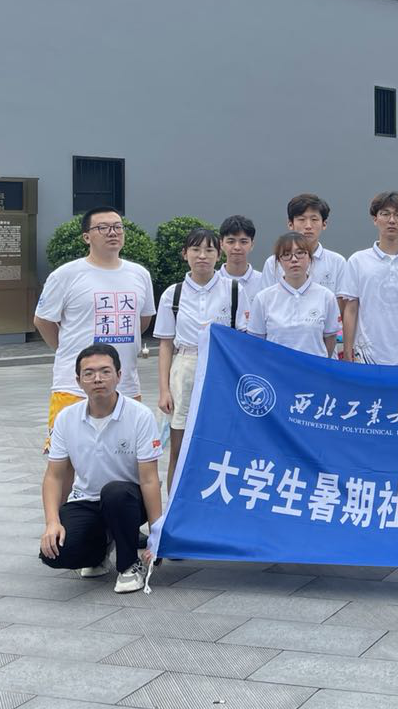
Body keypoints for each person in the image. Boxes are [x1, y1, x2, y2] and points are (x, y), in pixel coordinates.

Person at [39, 344, 163, 593]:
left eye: (105, 371)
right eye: (89, 373)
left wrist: (156, 533)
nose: (97, 379)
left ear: (119, 375)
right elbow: (54, 476)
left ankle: (129, 565)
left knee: (115, 493)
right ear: (78, 381)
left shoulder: (140, 416)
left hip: (128, 501)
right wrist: (53, 522)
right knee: (56, 553)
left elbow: (150, 480)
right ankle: (100, 550)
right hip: (86, 500)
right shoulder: (66, 418)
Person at [33, 207, 156, 448]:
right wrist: (68, 350)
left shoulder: (139, 274)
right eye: (103, 227)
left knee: (124, 455)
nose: (113, 232)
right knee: (66, 457)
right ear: (86, 237)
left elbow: (142, 320)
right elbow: (43, 321)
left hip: (125, 385)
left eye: (117, 227)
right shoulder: (66, 275)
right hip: (74, 387)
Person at [153, 227, 246, 492]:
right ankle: (175, 506)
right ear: (185, 254)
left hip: (221, 371)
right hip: (185, 366)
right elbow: (165, 344)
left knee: (221, 444)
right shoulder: (173, 294)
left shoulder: (234, 290)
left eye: (209, 249)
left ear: (219, 254)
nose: (202, 256)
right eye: (195, 249)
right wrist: (164, 389)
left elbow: (242, 339)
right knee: (179, 447)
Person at [339, 191, 398, 365]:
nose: (392, 220)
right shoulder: (358, 261)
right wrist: (347, 355)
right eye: (385, 214)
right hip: (367, 358)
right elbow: (351, 310)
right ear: (375, 219)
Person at [248, 232, 341, 357]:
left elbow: (330, 339)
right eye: (286, 255)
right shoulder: (263, 298)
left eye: (300, 253)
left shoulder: (326, 297)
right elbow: (256, 343)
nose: (294, 259)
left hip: (313, 368)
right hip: (276, 368)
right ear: (279, 261)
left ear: (310, 258)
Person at [260, 194, 348, 298]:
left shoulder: (337, 262)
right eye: (301, 219)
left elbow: (341, 304)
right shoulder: (273, 263)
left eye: (314, 219)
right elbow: (266, 300)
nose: (308, 226)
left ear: (324, 224)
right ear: (290, 224)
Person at [216, 214, 264, 327]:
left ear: (252, 244)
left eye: (243, 242)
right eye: (231, 241)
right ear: (221, 244)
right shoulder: (212, 282)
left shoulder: (263, 282)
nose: (237, 247)